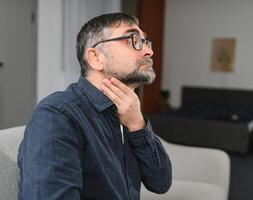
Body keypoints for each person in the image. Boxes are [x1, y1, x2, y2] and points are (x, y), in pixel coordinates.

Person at [17, 13, 172, 200]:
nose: (148, 51)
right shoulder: (57, 115)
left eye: (145, 42)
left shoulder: (128, 113)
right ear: (96, 57)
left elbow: (160, 182)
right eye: (133, 39)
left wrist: (138, 125)